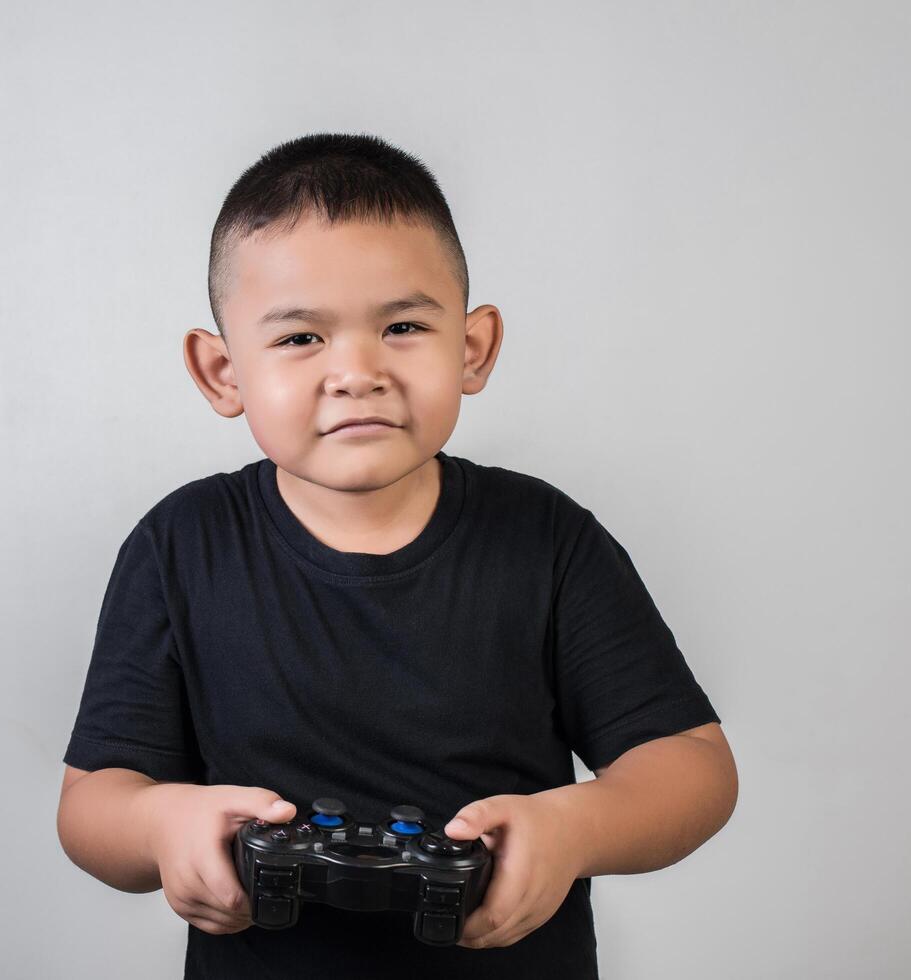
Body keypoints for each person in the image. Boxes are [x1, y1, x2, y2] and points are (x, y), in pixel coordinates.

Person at [55, 132, 738, 978]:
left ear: (473, 347)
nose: (356, 373)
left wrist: (574, 828)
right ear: (221, 372)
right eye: (301, 339)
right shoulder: (179, 547)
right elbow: (91, 803)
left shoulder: (549, 541)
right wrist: (160, 825)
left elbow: (692, 769)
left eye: (404, 325)